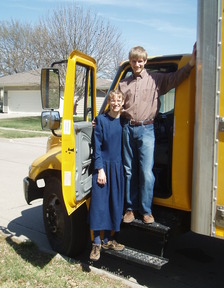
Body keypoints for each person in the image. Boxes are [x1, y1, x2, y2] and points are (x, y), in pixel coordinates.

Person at [118, 43, 196, 224]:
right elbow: (115, 108)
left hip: (147, 130)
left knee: (146, 172)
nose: (137, 64)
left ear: (145, 61)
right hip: (128, 128)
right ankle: (130, 209)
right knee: (129, 171)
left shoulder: (156, 79)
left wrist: (191, 63)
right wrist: (100, 120)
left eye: (140, 61)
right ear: (130, 62)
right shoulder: (123, 84)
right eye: (133, 61)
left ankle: (146, 211)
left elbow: (177, 77)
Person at [89, 90, 125, 261]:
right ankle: (95, 243)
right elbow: (97, 147)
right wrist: (100, 169)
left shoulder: (125, 121)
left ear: (123, 102)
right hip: (103, 167)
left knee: (114, 205)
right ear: (109, 102)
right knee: (99, 205)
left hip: (118, 168)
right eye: (113, 100)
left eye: (119, 100)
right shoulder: (101, 120)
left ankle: (107, 240)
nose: (116, 103)